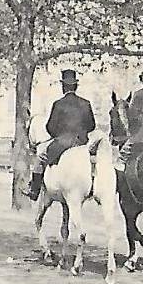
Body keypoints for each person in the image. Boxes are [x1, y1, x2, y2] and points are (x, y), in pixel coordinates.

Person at [27, 70, 96, 201]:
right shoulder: (85, 103)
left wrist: (58, 135)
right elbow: (92, 125)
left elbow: (50, 127)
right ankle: (94, 187)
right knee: (94, 159)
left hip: (62, 143)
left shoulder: (58, 104)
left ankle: (34, 191)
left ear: (63, 86)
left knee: (40, 159)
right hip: (81, 142)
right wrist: (82, 134)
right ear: (76, 86)